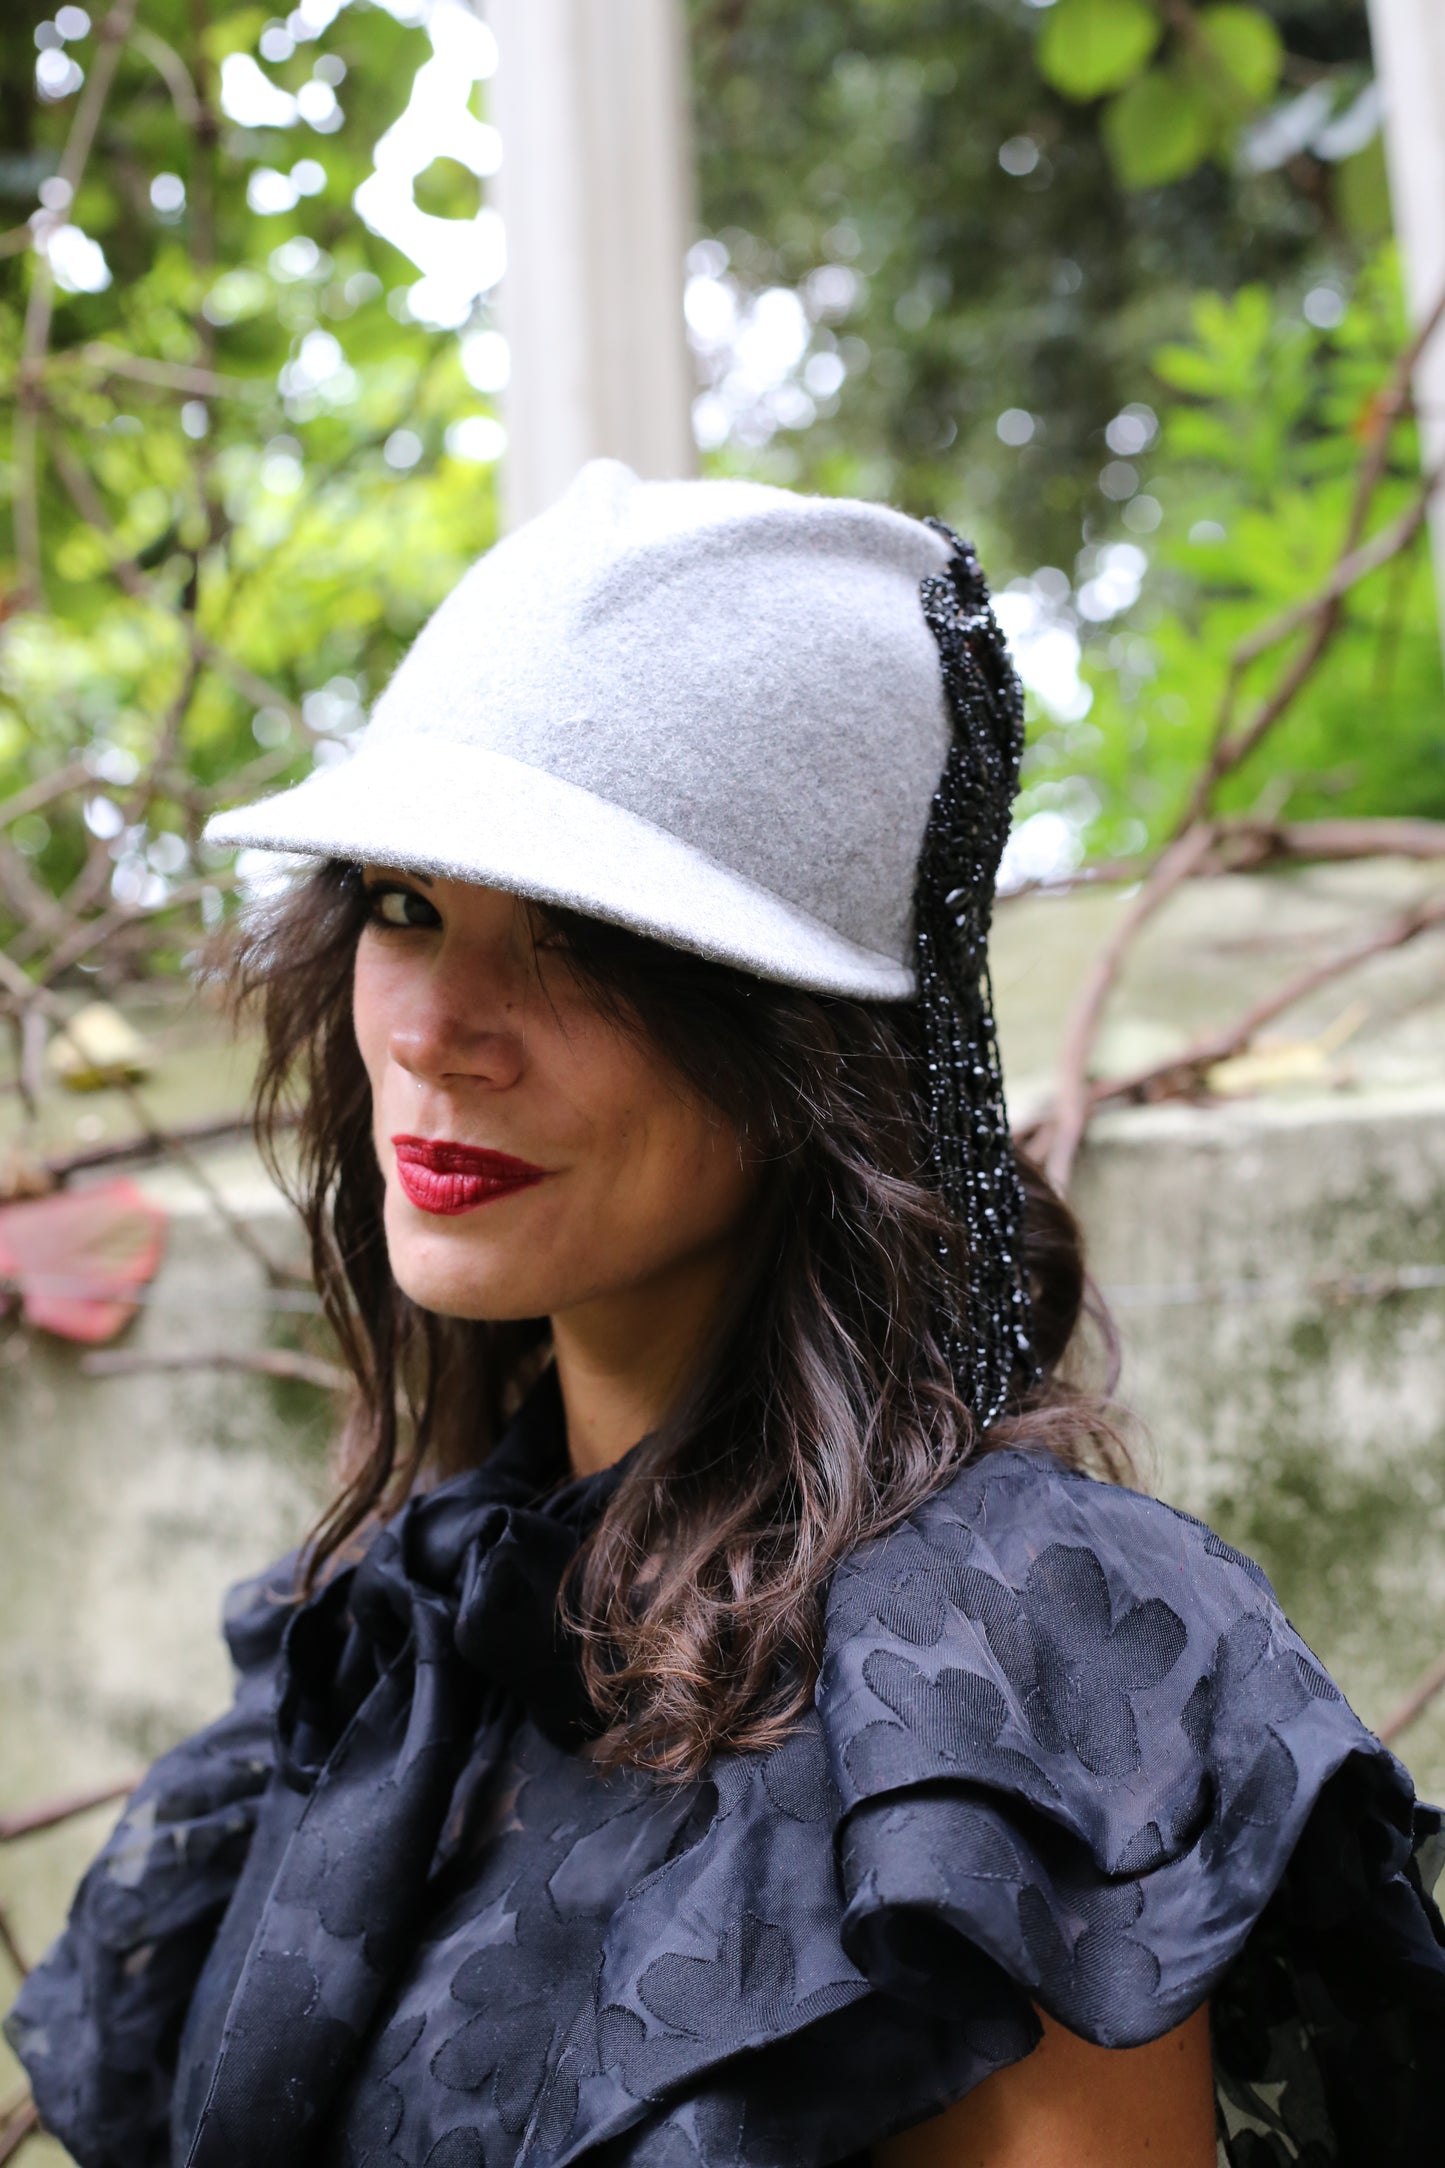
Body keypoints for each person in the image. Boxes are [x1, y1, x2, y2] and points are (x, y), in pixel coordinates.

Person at [7, 462, 1442, 2168]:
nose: (435, 1029)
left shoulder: (1005, 1671)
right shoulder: (401, 1631)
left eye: (579, 939)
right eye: (404, 907)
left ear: (804, 1057)